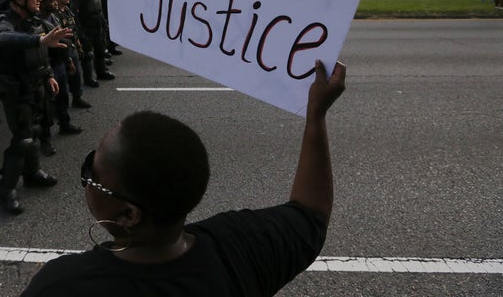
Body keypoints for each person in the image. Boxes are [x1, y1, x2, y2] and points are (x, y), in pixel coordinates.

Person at [20, 60, 346, 296]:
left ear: (129, 214)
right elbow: (311, 212)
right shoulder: (242, 246)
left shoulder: (62, 286)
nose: (87, 178)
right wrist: (316, 116)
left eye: (92, 171)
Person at [0, 0, 72, 214]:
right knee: (22, 138)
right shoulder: (2, 21)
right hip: (15, 90)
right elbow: (0, 38)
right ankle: (6, 190)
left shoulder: (35, 22)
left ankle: (32, 173)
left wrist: (49, 76)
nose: (39, 0)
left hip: (37, 86)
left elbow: (40, 55)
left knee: (35, 131)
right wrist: (39, 39)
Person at [38, 0, 83, 155]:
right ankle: (45, 140)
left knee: (63, 96)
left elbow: (62, 39)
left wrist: (68, 60)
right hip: (47, 68)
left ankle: (64, 124)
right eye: (51, 1)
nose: (55, 4)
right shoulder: (36, 22)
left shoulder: (54, 16)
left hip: (60, 64)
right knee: (47, 106)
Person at [71, 0, 114, 87]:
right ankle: (88, 78)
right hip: (86, 28)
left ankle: (101, 72)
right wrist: (80, 32)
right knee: (87, 55)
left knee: (100, 51)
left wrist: (104, 24)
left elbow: (99, 10)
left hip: (98, 27)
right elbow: (74, 14)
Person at [52, 0, 91, 109]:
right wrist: (67, 57)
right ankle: (58, 109)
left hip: (71, 47)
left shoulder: (67, 10)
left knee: (76, 76)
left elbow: (73, 29)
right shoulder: (54, 14)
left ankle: (77, 98)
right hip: (61, 49)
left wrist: (78, 44)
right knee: (61, 81)